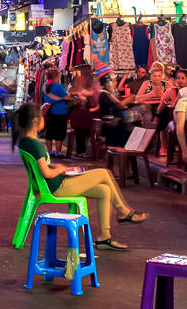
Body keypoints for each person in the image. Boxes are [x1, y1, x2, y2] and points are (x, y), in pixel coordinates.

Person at [14, 102, 146, 250]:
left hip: (50, 185)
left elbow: (43, 168)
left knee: (104, 191)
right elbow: (47, 173)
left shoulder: (24, 141)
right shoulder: (34, 144)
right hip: (57, 187)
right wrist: (61, 169)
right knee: (104, 173)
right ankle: (123, 212)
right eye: (43, 118)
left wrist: (56, 167)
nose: (45, 120)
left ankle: (105, 236)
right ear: (35, 121)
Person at [41, 69, 70, 157]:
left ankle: (49, 151)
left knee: (49, 132)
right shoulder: (57, 86)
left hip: (50, 112)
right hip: (60, 112)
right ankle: (58, 152)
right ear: (55, 77)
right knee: (60, 133)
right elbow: (67, 97)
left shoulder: (45, 85)